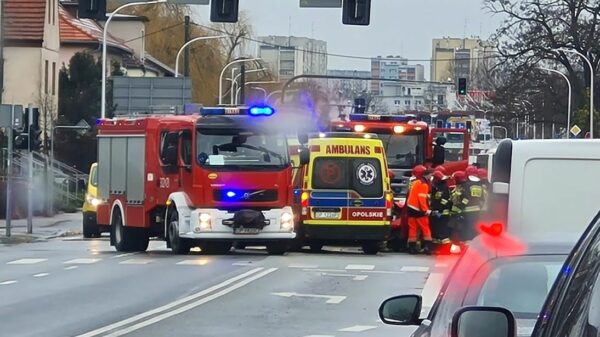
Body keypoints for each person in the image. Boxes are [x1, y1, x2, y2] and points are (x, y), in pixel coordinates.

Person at [406, 168, 435, 255]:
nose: (432, 177)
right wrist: (426, 210)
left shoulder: (416, 182)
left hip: (410, 208)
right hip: (418, 210)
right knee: (425, 228)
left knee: (412, 229)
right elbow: (421, 198)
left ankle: (412, 248)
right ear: (428, 175)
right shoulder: (424, 184)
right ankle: (428, 248)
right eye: (431, 175)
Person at [451, 168, 485, 241]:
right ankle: (473, 242)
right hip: (476, 210)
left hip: (467, 210)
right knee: (473, 227)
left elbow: (465, 198)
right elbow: (482, 198)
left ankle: (467, 243)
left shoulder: (466, 185)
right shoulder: (479, 185)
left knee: (467, 227)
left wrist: (460, 208)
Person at [430, 169, 452, 248]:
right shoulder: (436, 187)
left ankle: (446, 248)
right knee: (436, 230)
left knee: (443, 231)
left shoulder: (444, 187)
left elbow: (444, 200)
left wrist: (438, 209)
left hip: (443, 213)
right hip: (437, 212)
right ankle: (436, 247)